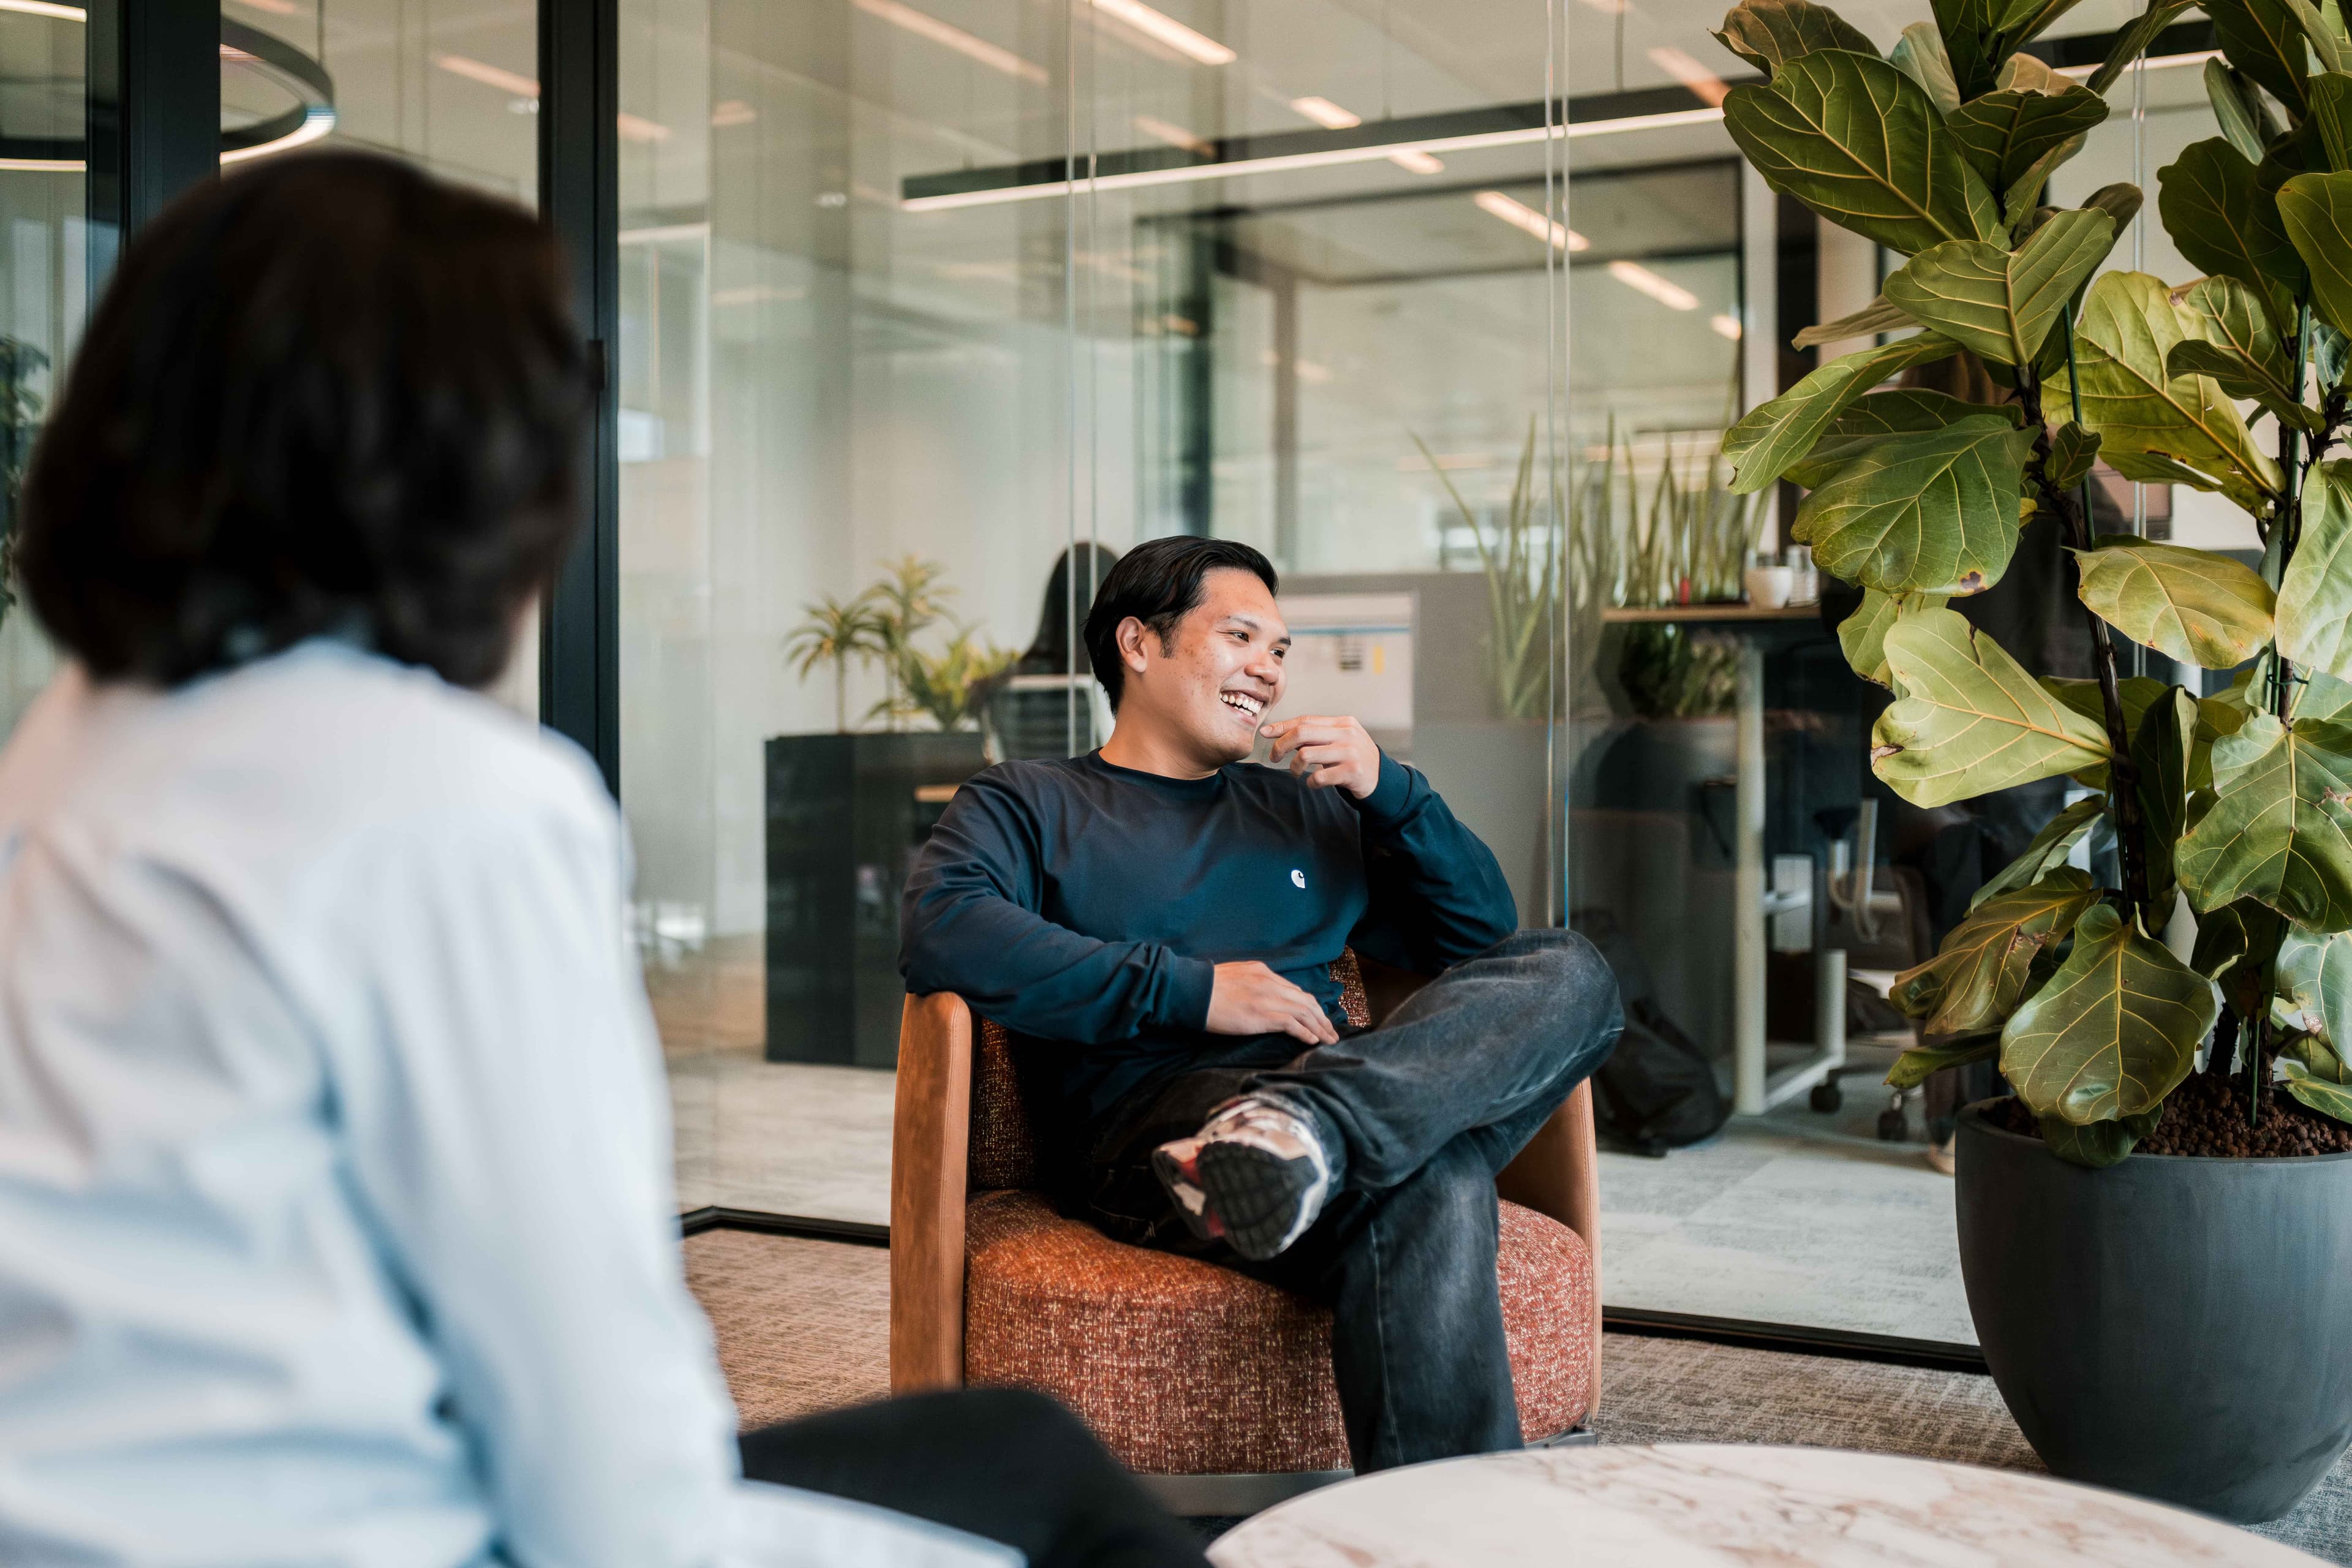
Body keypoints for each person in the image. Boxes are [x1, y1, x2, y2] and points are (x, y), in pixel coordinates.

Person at [0, 152, 1204, 1568]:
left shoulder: (64, 750)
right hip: (371, 1530)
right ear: (467, 475)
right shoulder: (450, 797)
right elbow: (605, 1475)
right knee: (1061, 1512)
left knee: (1010, 1444)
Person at [901, 537, 1623, 1472]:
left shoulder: (1310, 809)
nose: (1268, 669)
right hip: (1157, 1124)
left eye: (1280, 650)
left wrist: (1392, 792)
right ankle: (1456, 1528)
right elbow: (944, 928)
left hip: (1328, 1084)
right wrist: (1197, 991)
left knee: (1572, 969)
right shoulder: (1030, 801)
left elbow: (1483, 945)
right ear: (1138, 644)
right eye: (1241, 636)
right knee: (1432, 1171)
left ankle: (1310, 1132)